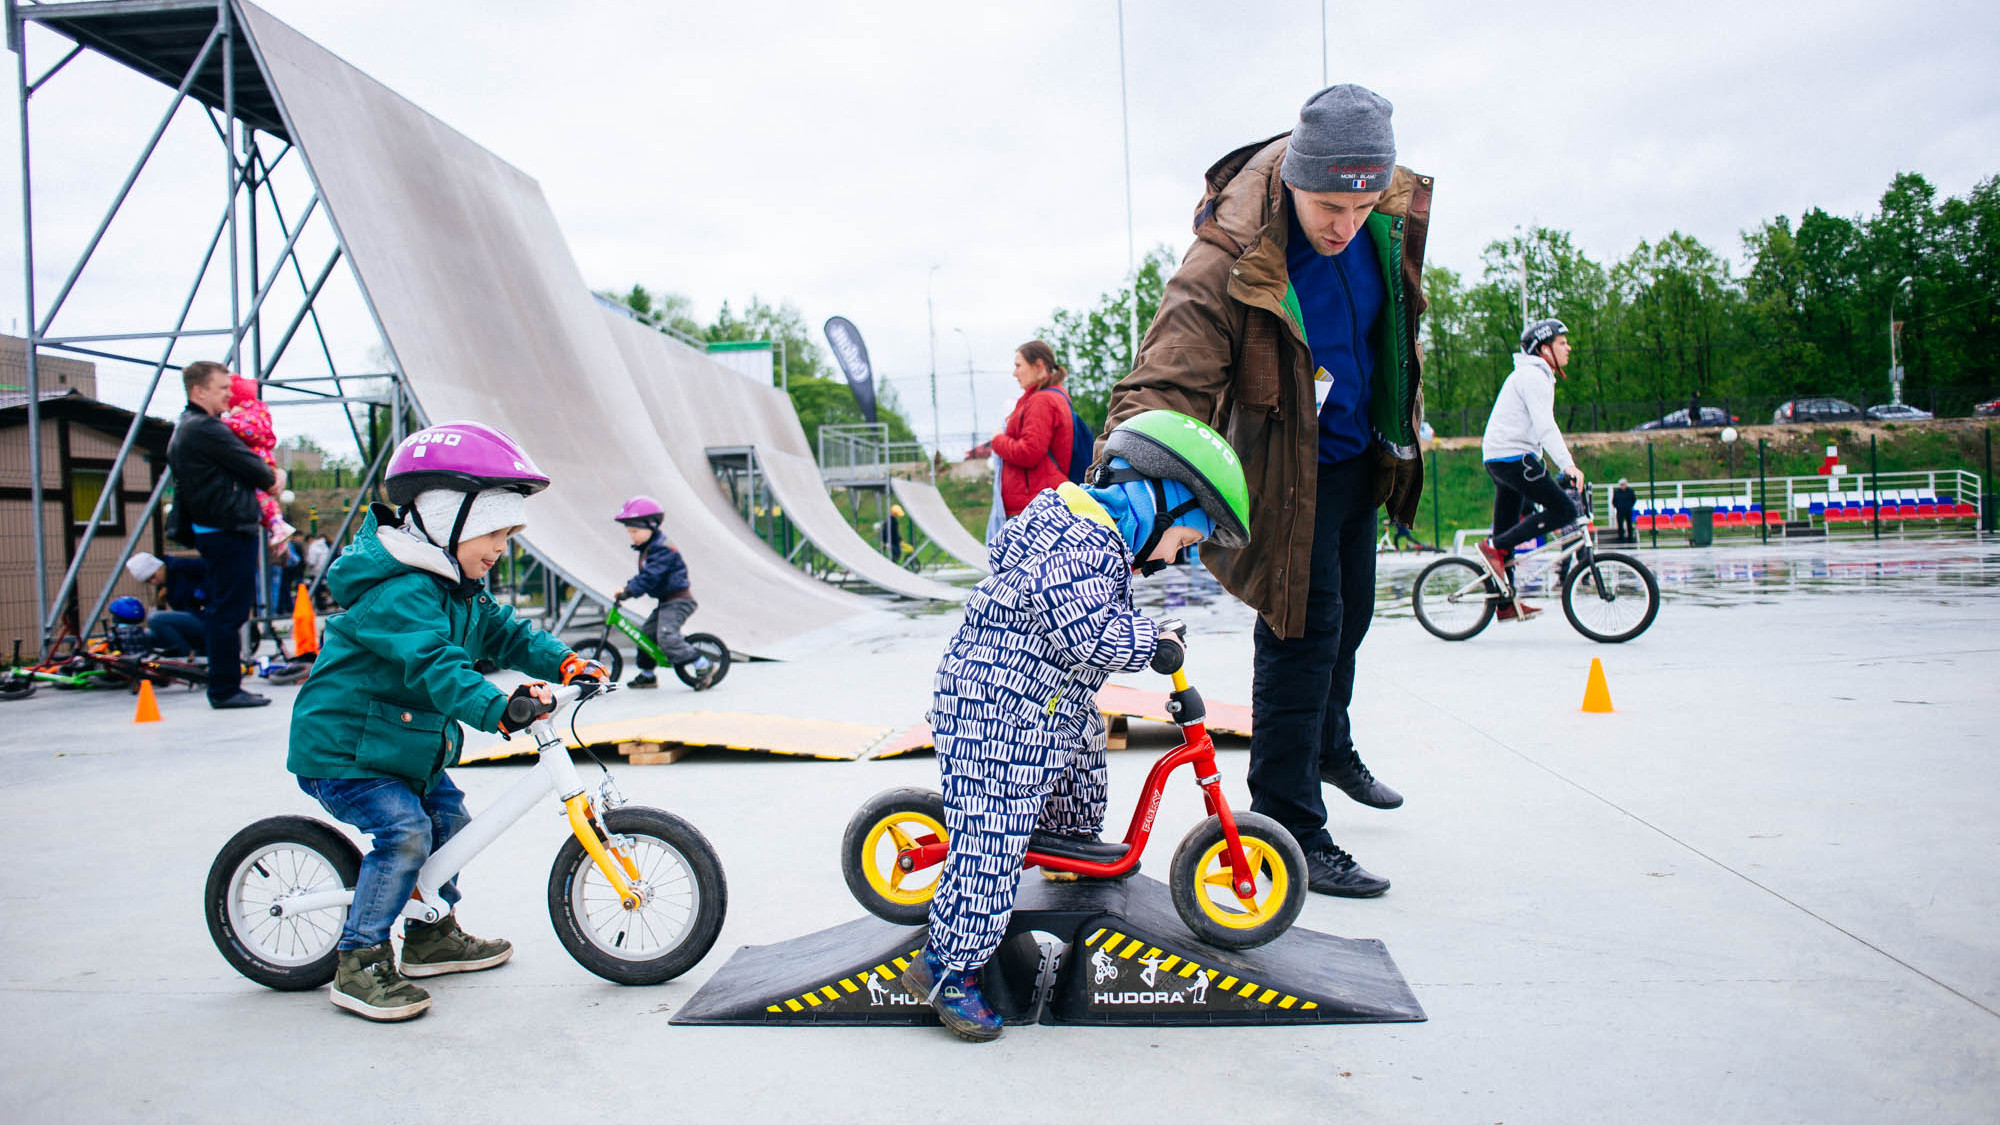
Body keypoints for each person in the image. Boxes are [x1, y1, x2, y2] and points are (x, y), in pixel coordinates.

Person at [1100, 84, 1430, 898]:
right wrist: (1119, 484)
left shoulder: (1384, 208)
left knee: (1350, 612)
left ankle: (1328, 744)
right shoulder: (1233, 245)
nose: (1343, 225)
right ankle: (1289, 824)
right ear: (1293, 179)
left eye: (1359, 206)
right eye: (1327, 206)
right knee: (1301, 631)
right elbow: (1167, 372)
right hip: (1288, 470)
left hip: (1360, 453)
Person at [904, 409, 1251, 1042]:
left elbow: (1089, 609)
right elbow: (1089, 632)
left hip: (1040, 702)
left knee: (1083, 741)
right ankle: (948, 969)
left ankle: (1067, 842)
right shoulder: (1078, 541)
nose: (1178, 560)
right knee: (993, 837)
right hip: (993, 708)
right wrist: (1152, 640)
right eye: (1184, 543)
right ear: (1158, 504)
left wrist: (1149, 629)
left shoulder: (1097, 538)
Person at [287, 421, 609, 1022]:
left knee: (451, 825)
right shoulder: (399, 593)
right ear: (444, 520)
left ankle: (431, 934)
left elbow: (507, 634)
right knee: (406, 834)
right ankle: (359, 962)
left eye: (509, 533)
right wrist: (497, 707)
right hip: (347, 752)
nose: (501, 548)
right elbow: (434, 665)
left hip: (405, 750)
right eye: (493, 531)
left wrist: (565, 662)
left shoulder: (458, 587)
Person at [168, 361, 283, 708]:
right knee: (229, 611)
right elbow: (258, 471)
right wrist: (272, 478)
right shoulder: (206, 428)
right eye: (222, 389)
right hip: (227, 530)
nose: (229, 396)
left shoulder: (190, 428)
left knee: (226, 608)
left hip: (216, 528)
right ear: (198, 391)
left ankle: (225, 684)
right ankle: (224, 688)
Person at [1478, 318, 1586, 621]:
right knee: (1564, 510)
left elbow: (1533, 428)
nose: (1568, 348)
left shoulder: (1531, 375)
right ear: (1544, 348)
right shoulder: (1533, 376)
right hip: (1514, 457)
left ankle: (1504, 603)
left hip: (1501, 457)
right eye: (1562, 343)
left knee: (1506, 532)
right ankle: (1493, 546)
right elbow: (1545, 426)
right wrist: (1568, 464)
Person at [610, 497, 717, 690]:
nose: (632, 536)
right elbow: (645, 576)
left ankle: (702, 664)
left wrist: (628, 591)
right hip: (666, 601)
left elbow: (650, 577)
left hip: (679, 601)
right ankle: (648, 675)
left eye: (635, 531)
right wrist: (628, 588)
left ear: (651, 526)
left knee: (666, 637)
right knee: (646, 635)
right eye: (629, 532)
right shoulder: (649, 548)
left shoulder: (662, 548)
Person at [990, 340, 1075, 518]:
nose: (1014, 373)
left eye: (1018, 365)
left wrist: (997, 440)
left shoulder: (1042, 401)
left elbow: (1030, 452)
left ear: (1038, 365)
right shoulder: (1051, 396)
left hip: (1034, 505)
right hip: (1039, 500)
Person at [219, 375, 295, 546]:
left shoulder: (247, 417)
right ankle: (275, 527)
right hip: (260, 460)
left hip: (257, 461)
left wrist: (226, 421)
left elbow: (246, 430)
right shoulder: (259, 413)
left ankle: (277, 524)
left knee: (260, 496)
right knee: (261, 497)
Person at [126, 550, 209, 655]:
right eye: (148, 581)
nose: (153, 582)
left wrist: (199, 594)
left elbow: (213, 572)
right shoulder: (168, 587)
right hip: (196, 619)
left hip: (209, 617)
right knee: (147, 635)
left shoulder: (179, 565)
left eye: (153, 577)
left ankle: (189, 657)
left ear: (158, 567)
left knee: (155, 619)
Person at [1612, 478, 1638, 544]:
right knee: (1620, 525)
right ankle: (1621, 538)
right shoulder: (1617, 492)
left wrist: (1629, 506)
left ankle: (1630, 538)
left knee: (1629, 524)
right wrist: (1617, 506)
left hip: (1628, 510)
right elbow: (1614, 501)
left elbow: (1634, 499)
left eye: (1623, 484)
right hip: (1620, 510)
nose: (1622, 486)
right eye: (1621, 485)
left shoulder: (1630, 491)